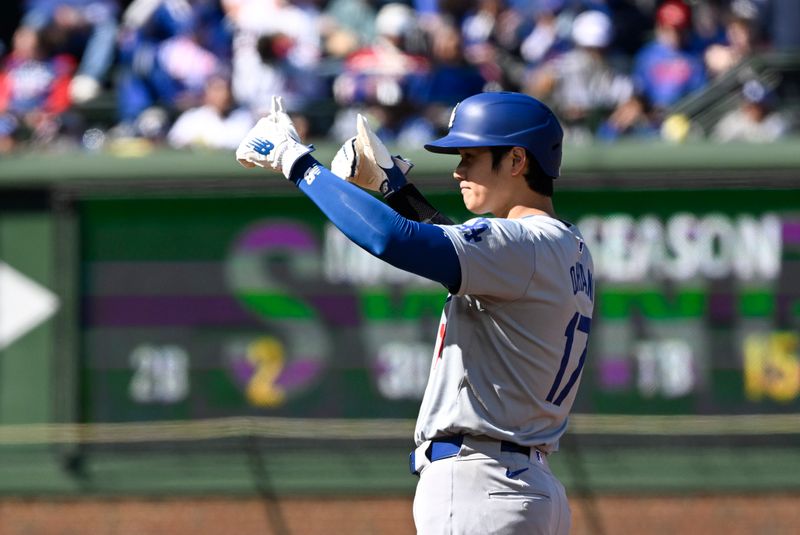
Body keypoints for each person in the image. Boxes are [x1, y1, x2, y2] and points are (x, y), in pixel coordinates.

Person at [235, 91, 594, 535]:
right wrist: (394, 187)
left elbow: (397, 240)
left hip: (479, 485)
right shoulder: (566, 245)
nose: (459, 170)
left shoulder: (521, 244)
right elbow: (470, 252)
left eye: (470, 156)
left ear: (517, 160)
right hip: (531, 488)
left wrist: (297, 162)